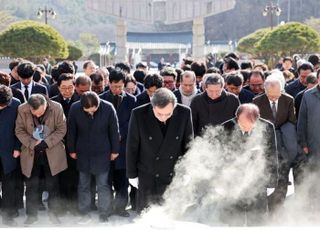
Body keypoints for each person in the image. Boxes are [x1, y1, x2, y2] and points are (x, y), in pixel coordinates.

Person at [126, 88, 194, 212]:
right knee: (146, 216)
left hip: (173, 174)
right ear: (153, 106)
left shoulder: (184, 113)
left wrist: (188, 171)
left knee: (171, 215)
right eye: (159, 114)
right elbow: (132, 147)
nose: (163, 118)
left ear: (174, 106)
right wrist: (132, 174)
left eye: (168, 114)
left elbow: (189, 145)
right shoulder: (138, 114)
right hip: (147, 174)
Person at [220, 103, 278, 226]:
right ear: (237, 118)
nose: (246, 127)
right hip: (233, 181)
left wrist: (272, 182)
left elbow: (271, 154)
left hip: (258, 179)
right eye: (242, 124)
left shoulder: (267, 127)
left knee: (258, 220)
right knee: (234, 220)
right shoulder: (226, 127)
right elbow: (220, 158)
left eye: (250, 125)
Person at [67, 91, 120, 223]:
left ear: (98, 104)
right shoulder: (75, 108)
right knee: (83, 184)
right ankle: (84, 210)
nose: (91, 113)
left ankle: (104, 212)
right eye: (87, 111)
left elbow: (114, 130)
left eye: (93, 110)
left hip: (103, 151)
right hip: (82, 151)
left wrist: (115, 150)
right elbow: (71, 130)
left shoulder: (108, 107)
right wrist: (71, 149)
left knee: (103, 184)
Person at [15, 94, 67, 226]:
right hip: (31, 154)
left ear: (46, 105)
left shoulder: (57, 107)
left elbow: (62, 129)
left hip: (52, 152)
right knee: (31, 186)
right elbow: (19, 130)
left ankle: (54, 214)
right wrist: (32, 143)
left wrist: (47, 142)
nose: (37, 116)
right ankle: (31, 215)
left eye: (41, 113)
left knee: (53, 185)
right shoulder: (22, 109)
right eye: (35, 113)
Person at [253, 76, 296, 212]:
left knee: (282, 176)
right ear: (265, 91)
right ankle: (263, 207)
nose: (273, 99)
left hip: (283, 144)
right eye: (270, 96)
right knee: (265, 176)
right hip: (265, 145)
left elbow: (291, 121)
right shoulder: (257, 101)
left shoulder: (288, 100)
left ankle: (277, 208)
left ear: (281, 90)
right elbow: (255, 124)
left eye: (276, 96)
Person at [100, 70, 136, 217]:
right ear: (109, 83)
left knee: (123, 182)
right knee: (105, 182)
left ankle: (120, 208)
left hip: (123, 148)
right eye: (115, 86)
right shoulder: (100, 99)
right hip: (106, 147)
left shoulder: (132, 100)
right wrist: (112, 135)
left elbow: (133, 122)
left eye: (120, 86)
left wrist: (120, 133)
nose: (118, 89)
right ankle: (106, 209)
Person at [51, 73, 80, 214]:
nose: (67, 91)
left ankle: (74, 206)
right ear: (58, 87)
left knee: (75, 177)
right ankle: (61, 207)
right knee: (60, 178)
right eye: (63, 88)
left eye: (70, 87)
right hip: (57, 146)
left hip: (76, 146)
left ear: (75, 86)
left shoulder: (81, 101)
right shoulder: (52, 103)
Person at [297, 68, 320, 211]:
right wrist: (304, 143)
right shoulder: (308, 95)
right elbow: (302, 121)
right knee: (314, 179)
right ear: (318, 78)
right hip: (314, 145)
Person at [0, 85, 21, 226]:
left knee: (9, 185)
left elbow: (21, 128)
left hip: (9, 153)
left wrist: (17, 147)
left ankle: (8, 215)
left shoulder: (17, 104)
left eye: (3, 106)